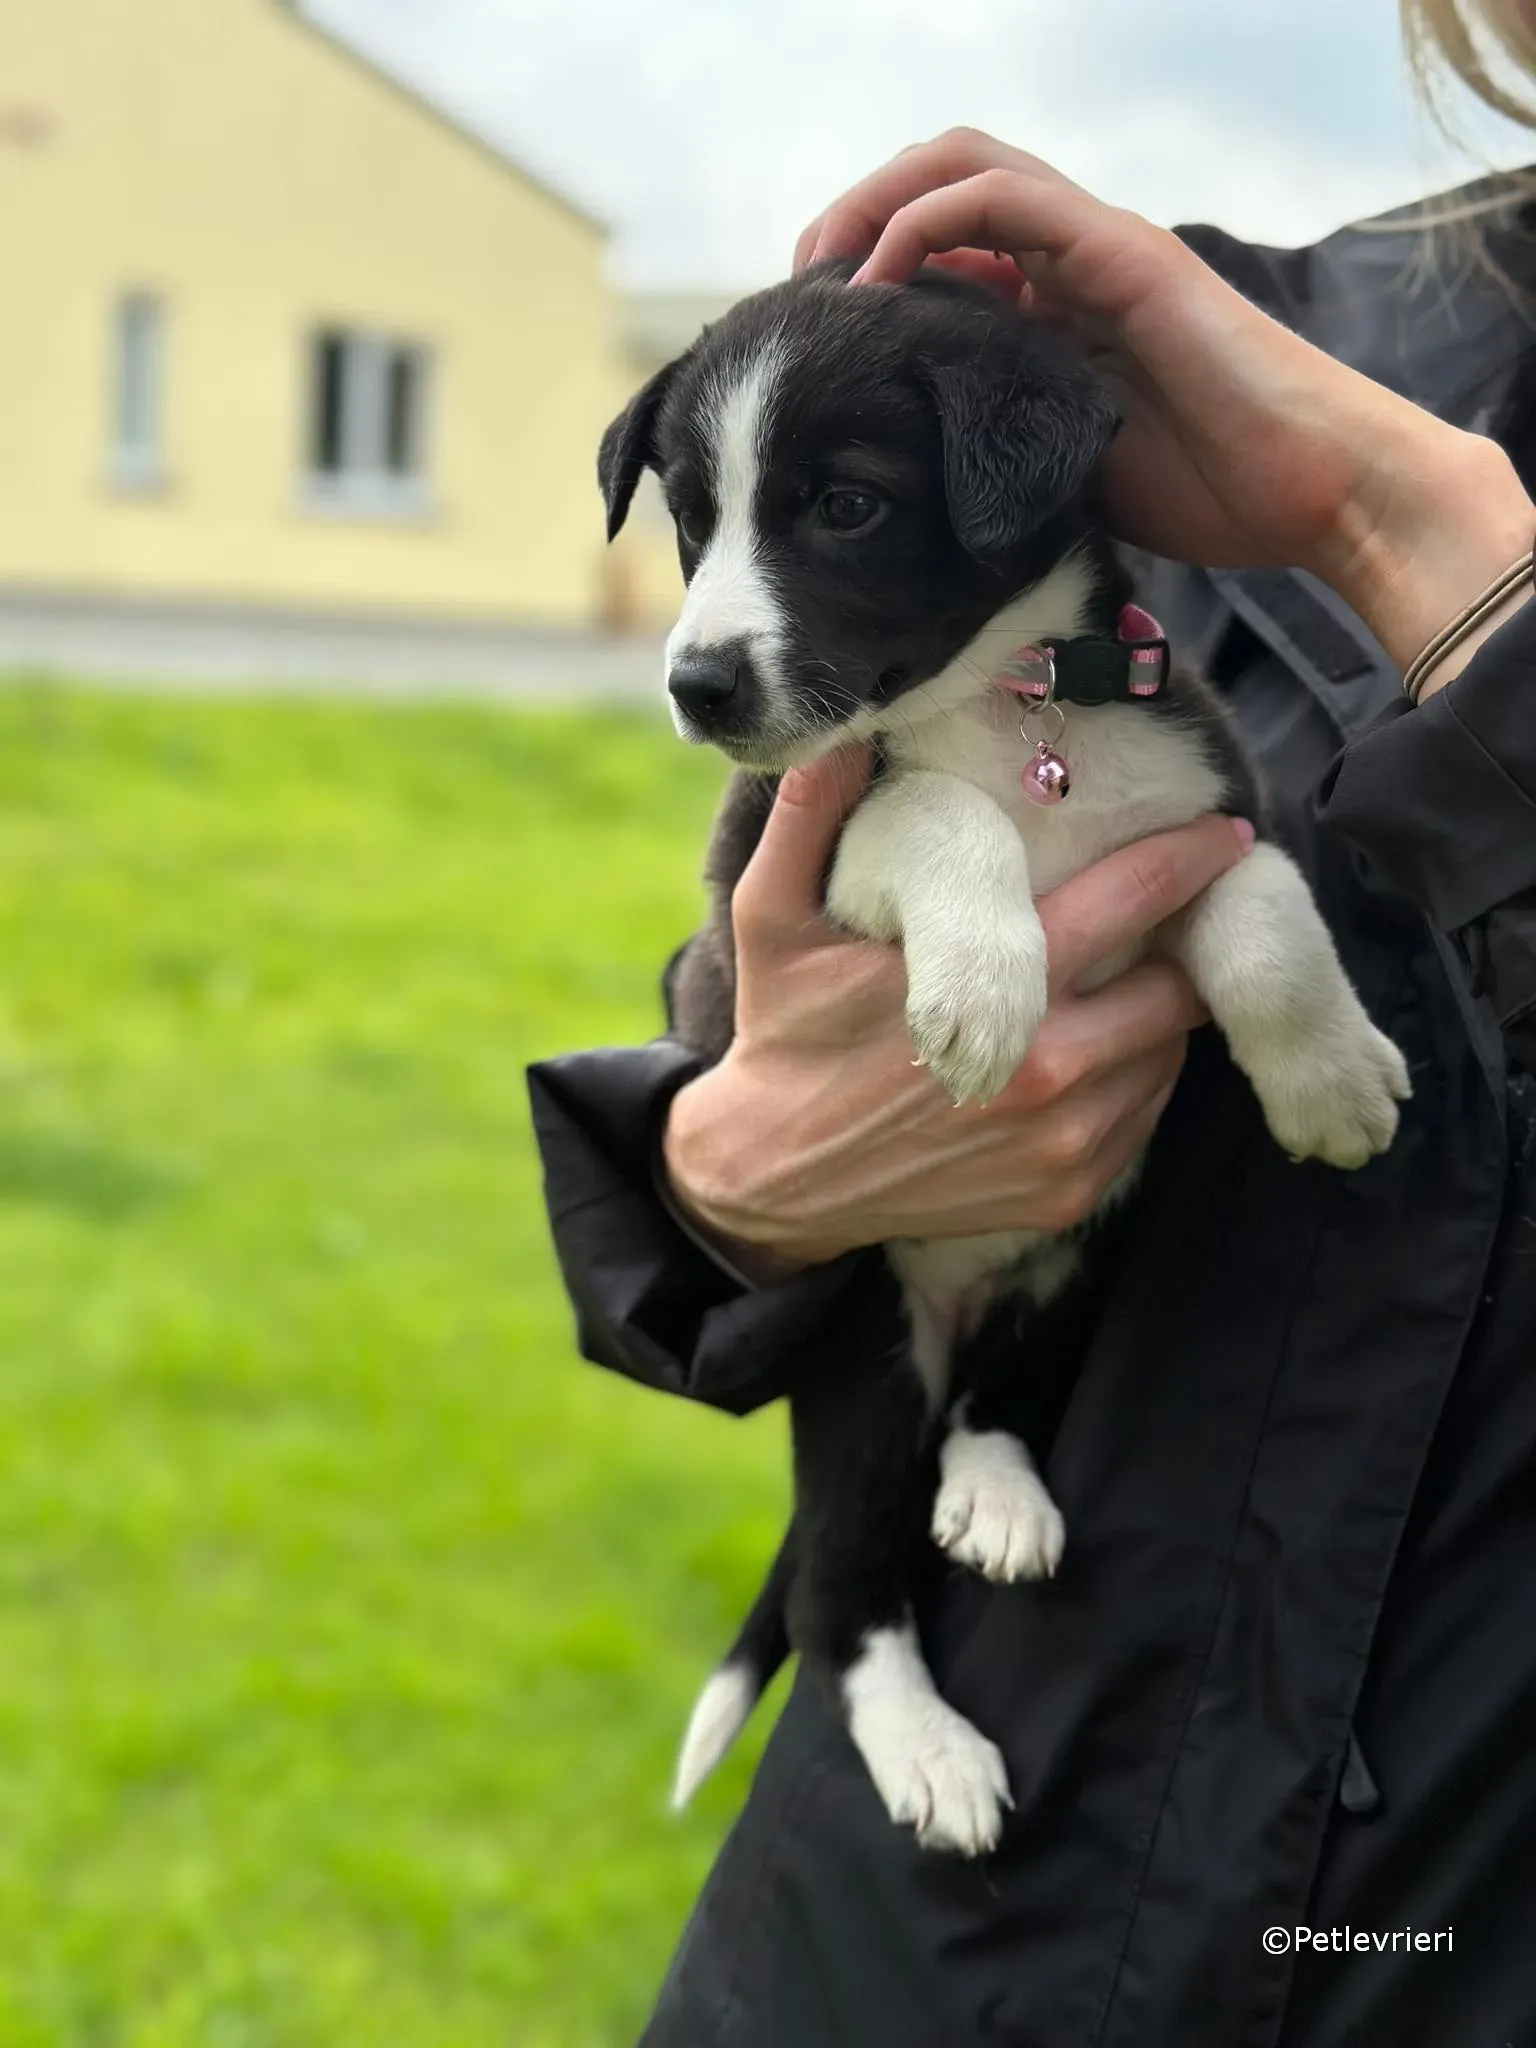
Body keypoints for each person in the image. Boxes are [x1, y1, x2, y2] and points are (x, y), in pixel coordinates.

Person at [527, 5, 1536, 2041]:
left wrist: (1406, 529)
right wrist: (729, 1173)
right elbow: (756, 1023)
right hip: (924, 1936)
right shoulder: (1186, 340)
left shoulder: (1306, 418)